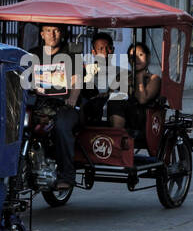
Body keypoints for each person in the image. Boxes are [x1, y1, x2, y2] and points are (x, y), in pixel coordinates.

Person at [27, 23, 81, 190]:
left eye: (56, 30)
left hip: (64, 106)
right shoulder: (33, 54)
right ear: (42, 34)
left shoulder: (71, 54)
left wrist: (72, 98)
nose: (52, 34)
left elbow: (77, 80)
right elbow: (16, 72)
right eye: (48, 30)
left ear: (61, 33)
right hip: (39, 105)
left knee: (61, 127)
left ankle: (67, 175)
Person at [79, 32, 131, 128]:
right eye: (100, 49)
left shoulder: (123, 72)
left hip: (116, 115)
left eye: (108, 48)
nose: (105, 52)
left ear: (113, 50)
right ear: (94, 52)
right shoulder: (86, 73)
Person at [125, 41, 162, 138]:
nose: (136, 59)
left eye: (140, 55)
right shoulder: (124, 77)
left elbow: (142, 100)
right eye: (132, 56)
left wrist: (139, 77)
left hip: (143, 121)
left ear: (148, 57)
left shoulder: (154, 79)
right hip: (125, 117)